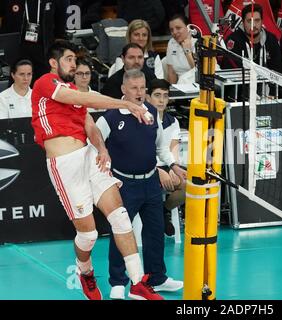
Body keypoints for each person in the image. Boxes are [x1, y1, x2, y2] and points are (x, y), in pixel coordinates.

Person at [30, 39, 162, 300]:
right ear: (54, 63)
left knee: (121, 217)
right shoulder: (46, 83)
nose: (73, 63)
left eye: (74, 60)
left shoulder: (74, 92)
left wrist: (101, 148)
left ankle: (137, 282)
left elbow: (90, 124)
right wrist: (126, 104)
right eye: (68, 59)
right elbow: (80, 96)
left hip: (89, 157)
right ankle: (85, 272)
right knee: (88, 234)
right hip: (65, 165)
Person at [95, 70, 185, 300]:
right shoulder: (110, 117)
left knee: (155, 232)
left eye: (142, 88)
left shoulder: (153, 112)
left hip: (151, 183)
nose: (139, 92)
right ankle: (117, 282)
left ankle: (157, 278)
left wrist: (173, 165)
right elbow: (93, 144)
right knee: (122, 232)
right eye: (134, 88)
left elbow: (160, 148)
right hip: (124, 184)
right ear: (124, 90)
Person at [0, 0, 69, 82]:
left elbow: (60, 24)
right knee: (19, 85)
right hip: (18, 51)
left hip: (44, 52)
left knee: (44, 85)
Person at [151, 78, 186, 237]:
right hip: (147, 167)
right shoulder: (142, 118)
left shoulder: (173, 122)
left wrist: (174, 168)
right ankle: (157, 215)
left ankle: (162, 210)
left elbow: (173, 148)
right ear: (148, 97)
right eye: (157, 95)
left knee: (188, 185)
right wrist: (158, 170)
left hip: (167, 164)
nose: (161, 100)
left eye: (165, 96)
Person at [221, 3, 282, 73]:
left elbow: (277, 72)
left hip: (266, 83)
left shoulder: (271, 40)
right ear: (243, 23)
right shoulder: (234, 40)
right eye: (249, 21)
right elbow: (230, 72)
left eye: (257, 20)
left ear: (262, 21)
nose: (253, 25)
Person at [166, 14, 197, 84]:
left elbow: (197, 73)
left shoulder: (198, 42)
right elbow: (172, 72)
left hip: (196, 83)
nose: (174, 32)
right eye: (171, 30)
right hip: (180, 85)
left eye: (178, 28)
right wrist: (173, 91)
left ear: (188, 28)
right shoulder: (171, 43)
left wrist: (187, 51)